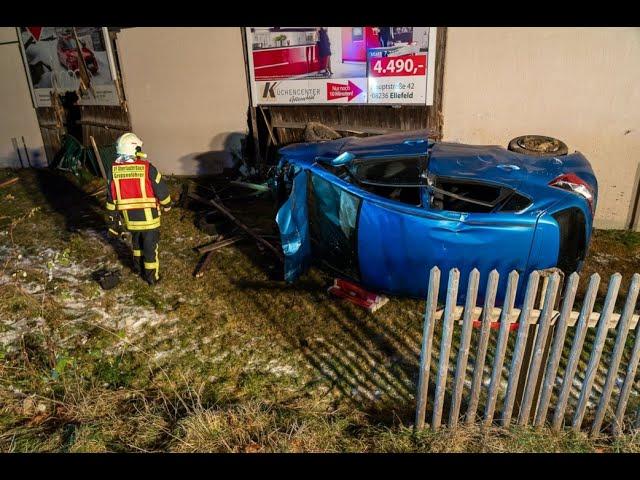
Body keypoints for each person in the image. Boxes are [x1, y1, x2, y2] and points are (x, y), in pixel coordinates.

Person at [105, 133, 172, 285]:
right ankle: (151, 277)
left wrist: (113, 221)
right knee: (150, 248)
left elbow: (111, 199)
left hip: (131, 221)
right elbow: (162, 190)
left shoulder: (114, 171)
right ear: (136, 149)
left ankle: (137, 268)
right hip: (150, 221)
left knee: (137, 245)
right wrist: (167, 205)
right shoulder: (147, 168)